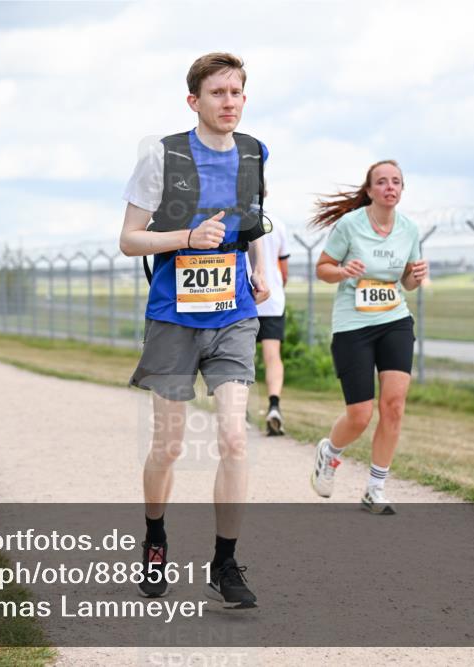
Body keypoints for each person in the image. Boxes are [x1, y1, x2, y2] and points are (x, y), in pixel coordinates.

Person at [119, 52, 270, 609]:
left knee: (233, 436)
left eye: (237, 93)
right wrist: (184, 238)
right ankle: (155, 538)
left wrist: (257, 266)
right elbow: (130, 239)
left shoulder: (254, 152)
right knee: (170, 444)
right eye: (218, 94)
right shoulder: (163, 156)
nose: (229, 103)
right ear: (194, 102)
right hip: (174, 318)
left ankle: (225, 562)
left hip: (232, 314)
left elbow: (250, 219)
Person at [309, 160, 429, 515]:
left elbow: (407, 281)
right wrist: (343, 271)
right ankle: (330, 453)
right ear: (370, 190)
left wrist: (416, 277)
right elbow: (322, 269)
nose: (390, 187)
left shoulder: (409, 229)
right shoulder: (351, 225)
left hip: (395, 319)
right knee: (360, 414)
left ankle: (375, 488)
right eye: (382, 182)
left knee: (393, 407)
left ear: (402, 189)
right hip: (353, 324)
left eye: (396, 182)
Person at [252, 209, 291, 435]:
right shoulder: (276, 222)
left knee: (243, 356)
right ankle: (274, 405)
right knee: (272, 355)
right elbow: (283, 270)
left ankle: (241, 412)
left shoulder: (234, 218)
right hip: (272, 298)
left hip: (245, 297)